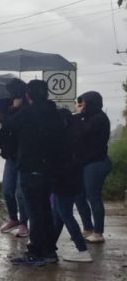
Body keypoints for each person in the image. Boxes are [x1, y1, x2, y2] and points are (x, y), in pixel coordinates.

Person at [5, 80, 64, 266]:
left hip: (31, 168)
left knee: (36, 213)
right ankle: (48, 251)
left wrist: (15, 108)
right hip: (49, 168)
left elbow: (8, 129)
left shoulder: (27, 113)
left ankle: (36, 252)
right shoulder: (54, 113)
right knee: (44, 211)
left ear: (28, 96)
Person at [51, 107, 91, 262]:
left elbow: (60, 162)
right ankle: (49, 246)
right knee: (58, 215)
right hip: (73, 180)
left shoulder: (64, 139)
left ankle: (82, 250)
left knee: (65, 214)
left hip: (64, 180)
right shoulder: (75, 135)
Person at [0, 81, 31, 238]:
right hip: (11, 156)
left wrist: (15, 109)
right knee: (7, 190)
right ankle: (13, 218)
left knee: (20, 193)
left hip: (25, 157)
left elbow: (17, 125)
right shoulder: (9, 107)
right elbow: (7, 130)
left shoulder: (28, 109)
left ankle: (23, 223)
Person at [74, 91, 112, 244]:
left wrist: (78, 115)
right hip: (86, 163)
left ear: (91, 104)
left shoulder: (99, 119)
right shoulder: (88, 118)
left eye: (82, 104)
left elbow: (83, 131)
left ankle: (98, 232)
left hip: (96, 163)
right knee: (79, 196)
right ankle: (88, 228)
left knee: (93, 197)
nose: (80, 107)